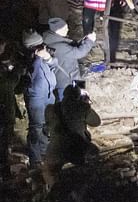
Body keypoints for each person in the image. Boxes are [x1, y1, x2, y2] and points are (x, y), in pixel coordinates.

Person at [43, 84, 101, 190]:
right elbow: (96, 122)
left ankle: (53, 190)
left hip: (57, 149)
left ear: (64, 95)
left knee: (48, 170)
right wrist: (86, 104)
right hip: (78, 148)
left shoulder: (51, 109)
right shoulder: (83, 107)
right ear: (78, 96)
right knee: (94, 156)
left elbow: (45, 130)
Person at [22, 32, 57, 167]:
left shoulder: (42, 56)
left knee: (47, 125)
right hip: (36, 98)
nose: (44, 47)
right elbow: (31, 76)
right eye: (40, 45)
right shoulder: (26, 60)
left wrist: (47, 58)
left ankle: (45, 153)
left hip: (49, 94)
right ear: (32, 47)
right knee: (36, 128)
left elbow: (54, 65)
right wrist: (37, 58)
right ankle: (35, 160)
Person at [42, 18, 95, 100]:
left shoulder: (51, 41)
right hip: (67, 82)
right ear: (57, 30)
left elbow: (71, 50)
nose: (68, 29)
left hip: (68, 75)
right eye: (65, 28)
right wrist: (90, 41)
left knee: (73, 102)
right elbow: (79, 53)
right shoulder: (60, 46)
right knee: (68, 104)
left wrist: (84, 41)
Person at [0, 42, 18, 176]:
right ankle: (5, 173)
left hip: (5, 110)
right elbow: (8, 85)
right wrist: (16, 72)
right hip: (4, 111)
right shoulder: (4, 75)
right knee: (3, 142)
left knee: (5, 143)